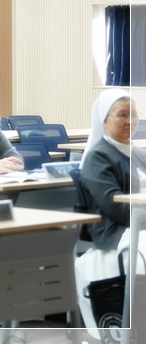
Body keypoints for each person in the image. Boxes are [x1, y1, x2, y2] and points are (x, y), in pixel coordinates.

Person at [74, 89, 145, 332]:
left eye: (133, 115)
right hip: (116, 232)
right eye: (122, 115)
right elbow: (116, 208)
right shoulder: (98, 157)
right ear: (104, 121)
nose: (130, 121)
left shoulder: (139, 153)